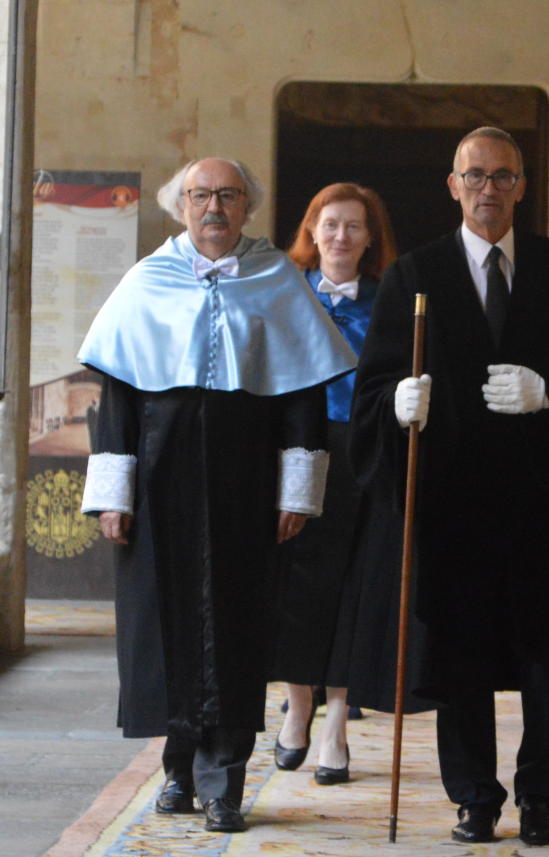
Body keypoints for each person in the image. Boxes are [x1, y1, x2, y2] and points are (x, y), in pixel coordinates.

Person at [349, 126, 549, 846]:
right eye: (474, 176)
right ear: (453, 186)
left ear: (522, 186)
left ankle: (540, 795)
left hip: (546, 503)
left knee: (548, 658)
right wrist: (397, 406)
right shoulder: (414, 276)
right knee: (462, 657)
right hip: (455, 506)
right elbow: (374, 388)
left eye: (502, 177)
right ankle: (475, 796)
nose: (488, 190)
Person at [77, 157, 357, 834]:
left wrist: (299, 490)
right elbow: (115, 398)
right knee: (162, 627)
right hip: (158, 484)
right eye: (201, 196)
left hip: (246, 487)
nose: (214, 209)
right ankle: (177, 767)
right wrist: (113, 494)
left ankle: (223, 778)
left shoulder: (278, 281)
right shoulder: (147, 281)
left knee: (237, 627)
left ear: (246, 207)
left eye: (227, 196)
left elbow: (302, 399)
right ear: (182, 207)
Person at [272, 182, 397, 784]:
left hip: (366, 455)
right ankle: (297, 708)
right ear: (312, 231)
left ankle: (337, 723)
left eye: (353, 226)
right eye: (330, 224)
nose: (340, 237)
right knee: (302, 584)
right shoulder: (286, 295)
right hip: (302, 451)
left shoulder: (390, 300)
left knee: (355, 585)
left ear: (370, 238)